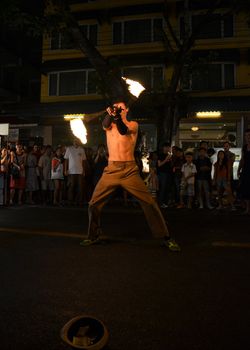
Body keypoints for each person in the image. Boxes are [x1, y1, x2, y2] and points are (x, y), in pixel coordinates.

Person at [80, 100, 180, 251]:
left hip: (129, 171)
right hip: (111, 170)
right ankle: (93, 235)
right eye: (116, 107)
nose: (118, 109)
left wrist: (117, 117)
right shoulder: (109, 126)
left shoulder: (133, 125)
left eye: (120, 107)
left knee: (149, 203)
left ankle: (166, 237)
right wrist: (110, 113)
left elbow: (122, 130)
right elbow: (106, 124)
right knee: (93, 204)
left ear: (126, 110)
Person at [64, 138, 87, 206]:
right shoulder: (69, 149)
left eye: (77, 141)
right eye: (74, 141)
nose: (76, 142)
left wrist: (84, 170)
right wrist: (65, 170)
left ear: (79, 142)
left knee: (80, 187)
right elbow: (66, 160)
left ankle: (79, 201)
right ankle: (70, 201)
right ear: (73, 142)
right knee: (71, 187)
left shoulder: (81, 149)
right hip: (71, 171)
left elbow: (83, 161)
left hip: (80, 171)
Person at [238, 129, 250, 214]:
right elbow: (242, 159)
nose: (248, 137)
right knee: (245, 189)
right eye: (246, 136)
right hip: (246, 170)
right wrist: (239, 169)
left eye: (249, 135)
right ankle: (247, 208)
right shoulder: (245, 147)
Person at [157, 142, 172, 208]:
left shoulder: (170, 155)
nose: (167, 148)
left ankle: (166, 203)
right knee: (162, 188)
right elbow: (159, 165)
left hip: (169, 173)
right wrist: (166, 159)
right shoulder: (161, 155)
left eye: (168, 147)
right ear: (163, 148)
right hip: (162, 173)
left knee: (167, 188)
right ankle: (160, 203)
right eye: (166, 147)